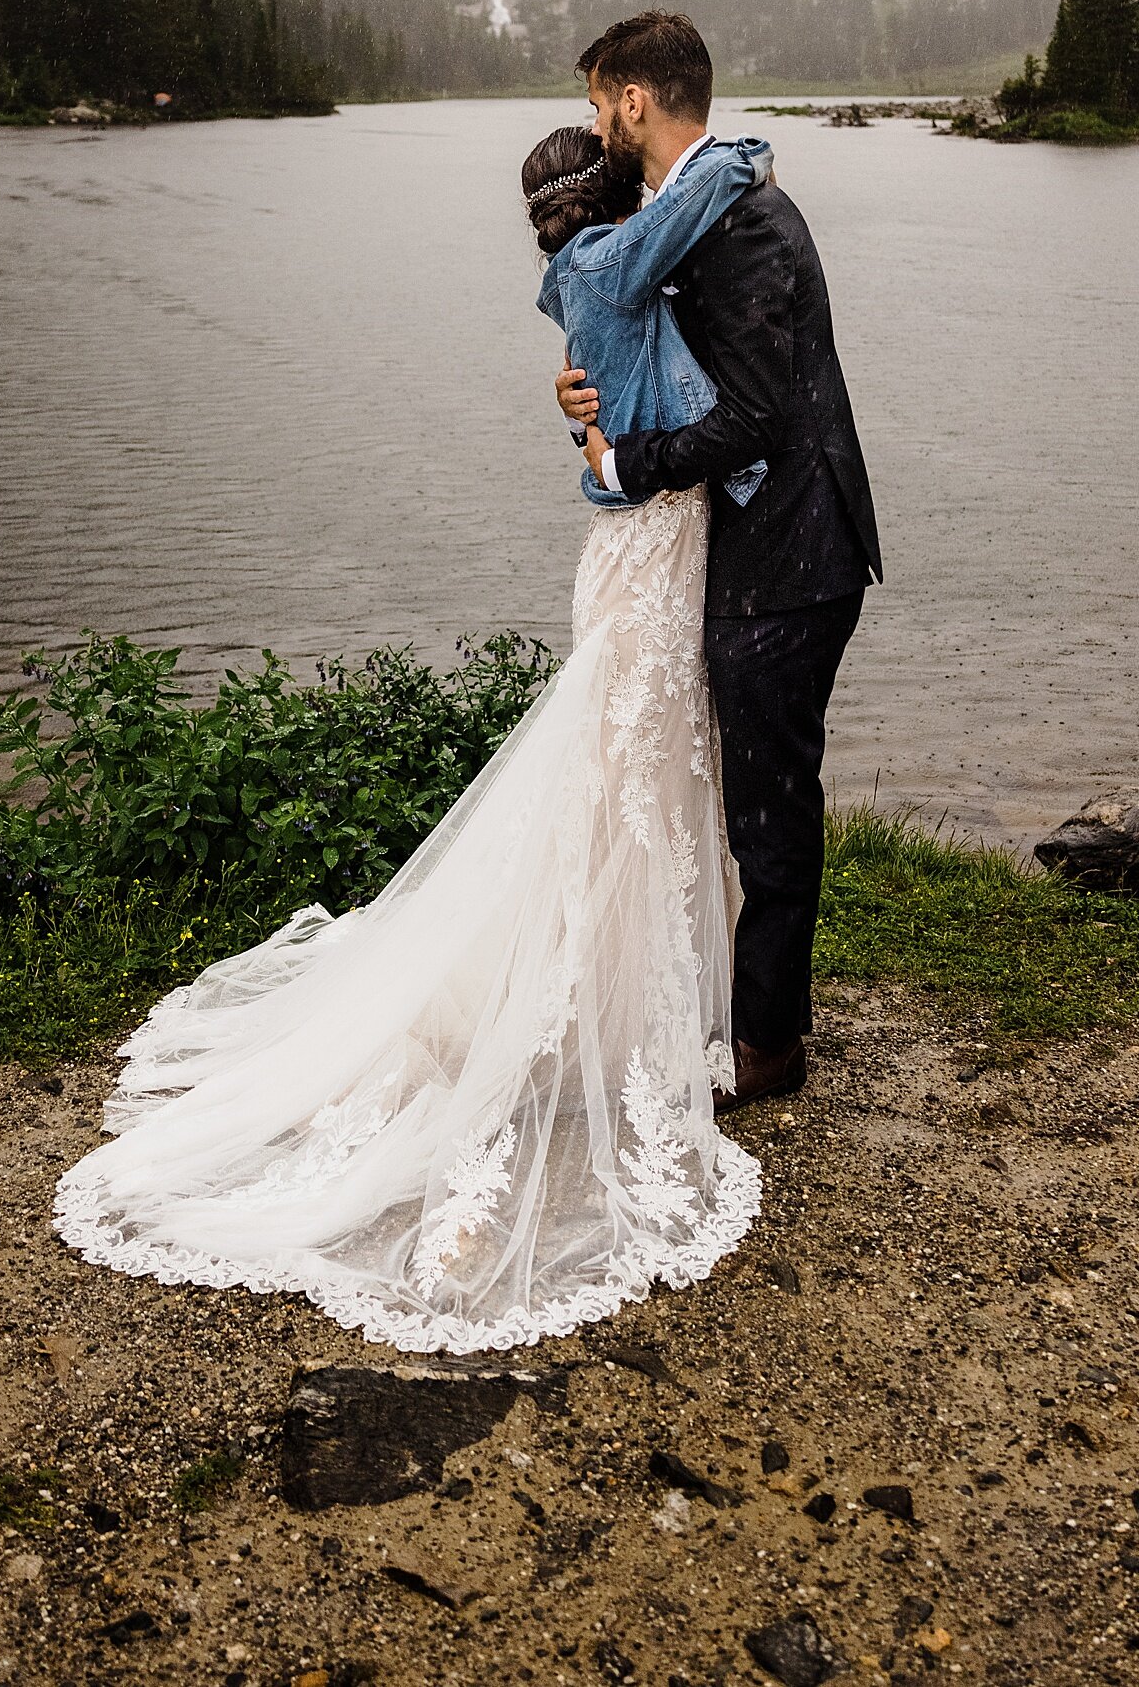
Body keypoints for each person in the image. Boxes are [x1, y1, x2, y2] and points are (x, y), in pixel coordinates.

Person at [52, 117, 774, 1350]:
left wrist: (598, 444)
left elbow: (622, 402)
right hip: (651, 549)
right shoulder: (608, 263)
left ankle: (621, 995)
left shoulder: (590, 275)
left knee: (644, 777)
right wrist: (739, 152)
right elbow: (688, 212)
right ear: (602, 198)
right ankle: (568, 1006)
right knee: (618, 775)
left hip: (657, 534)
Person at [558, 10, 881, 1110]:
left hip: (790, 555)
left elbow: (751, 414)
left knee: (770, 807)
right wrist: (586, 399)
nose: (595, 121)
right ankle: (744, 1017)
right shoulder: (696, 211)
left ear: (636, 101)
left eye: (602, 100)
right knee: (748, 801)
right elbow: (666, 358)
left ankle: (768, 1050)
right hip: (756, 549)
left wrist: (626, 460)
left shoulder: (743, 222)